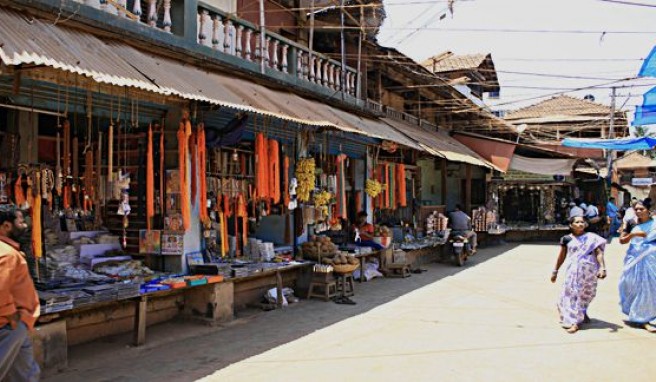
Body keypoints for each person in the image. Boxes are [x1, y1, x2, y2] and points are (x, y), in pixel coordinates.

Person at [0, 210, 40, 381]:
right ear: (7, 226)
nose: (25, 225)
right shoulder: (7, 253)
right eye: (21, 221)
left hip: (16, 325)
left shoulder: (9, 251)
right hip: (9, 325)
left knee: (26, 374)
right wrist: (12, 317)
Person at [551, 216, 607, 333]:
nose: (580, 224)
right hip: (573, 271)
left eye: (582, 222)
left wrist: (602, 268)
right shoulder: (566, 239)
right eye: (577, 222)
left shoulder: (592, 237)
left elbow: (599, 253)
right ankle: (574, 322)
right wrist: (555, 271)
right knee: (572, 294)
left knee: (587, 293)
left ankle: (582, 311)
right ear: (571, 225)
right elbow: (561, 256)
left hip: (589, 271)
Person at [618, 199, 656, 333]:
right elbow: (621, 240)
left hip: (651, 259)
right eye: (637, 209)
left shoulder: (655, 223)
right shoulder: (631, 222)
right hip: (634, 257)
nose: (639, 211)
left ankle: (644, 319)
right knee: (630, 284)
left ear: (649, 210)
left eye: (642, 209)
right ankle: (635, 313)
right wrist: (633, 234)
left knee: (648, 288)